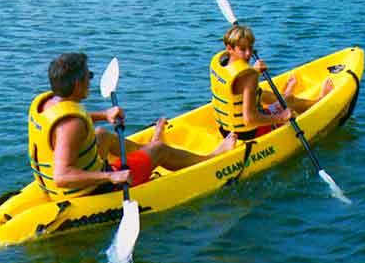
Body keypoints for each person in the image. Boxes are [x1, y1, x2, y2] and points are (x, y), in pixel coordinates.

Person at [28, 52, 236, 198]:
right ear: (77, 83)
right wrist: (112, 176)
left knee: (101, 134)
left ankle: (146, 153)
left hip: (62, 185)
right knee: (160, 149)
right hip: (87, 190)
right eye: (89, 76)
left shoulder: (48, 103)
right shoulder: (71, 126)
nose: (91, 80)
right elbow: (62, 176)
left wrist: (104, 114)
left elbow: (69, 120)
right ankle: (212, 157)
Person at [210, 24, 334, 142]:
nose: (248, 54)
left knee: (261, 93)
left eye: (251, 48)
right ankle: (318, 102)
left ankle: (285, 95)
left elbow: (239, 86)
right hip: (249, 133)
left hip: (226, 130)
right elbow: (250, 119)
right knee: (289, 101)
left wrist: (254, 71)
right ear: (229, 48)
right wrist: (283, 117)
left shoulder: (220, 62)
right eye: (242, 49)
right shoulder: (249, 77)